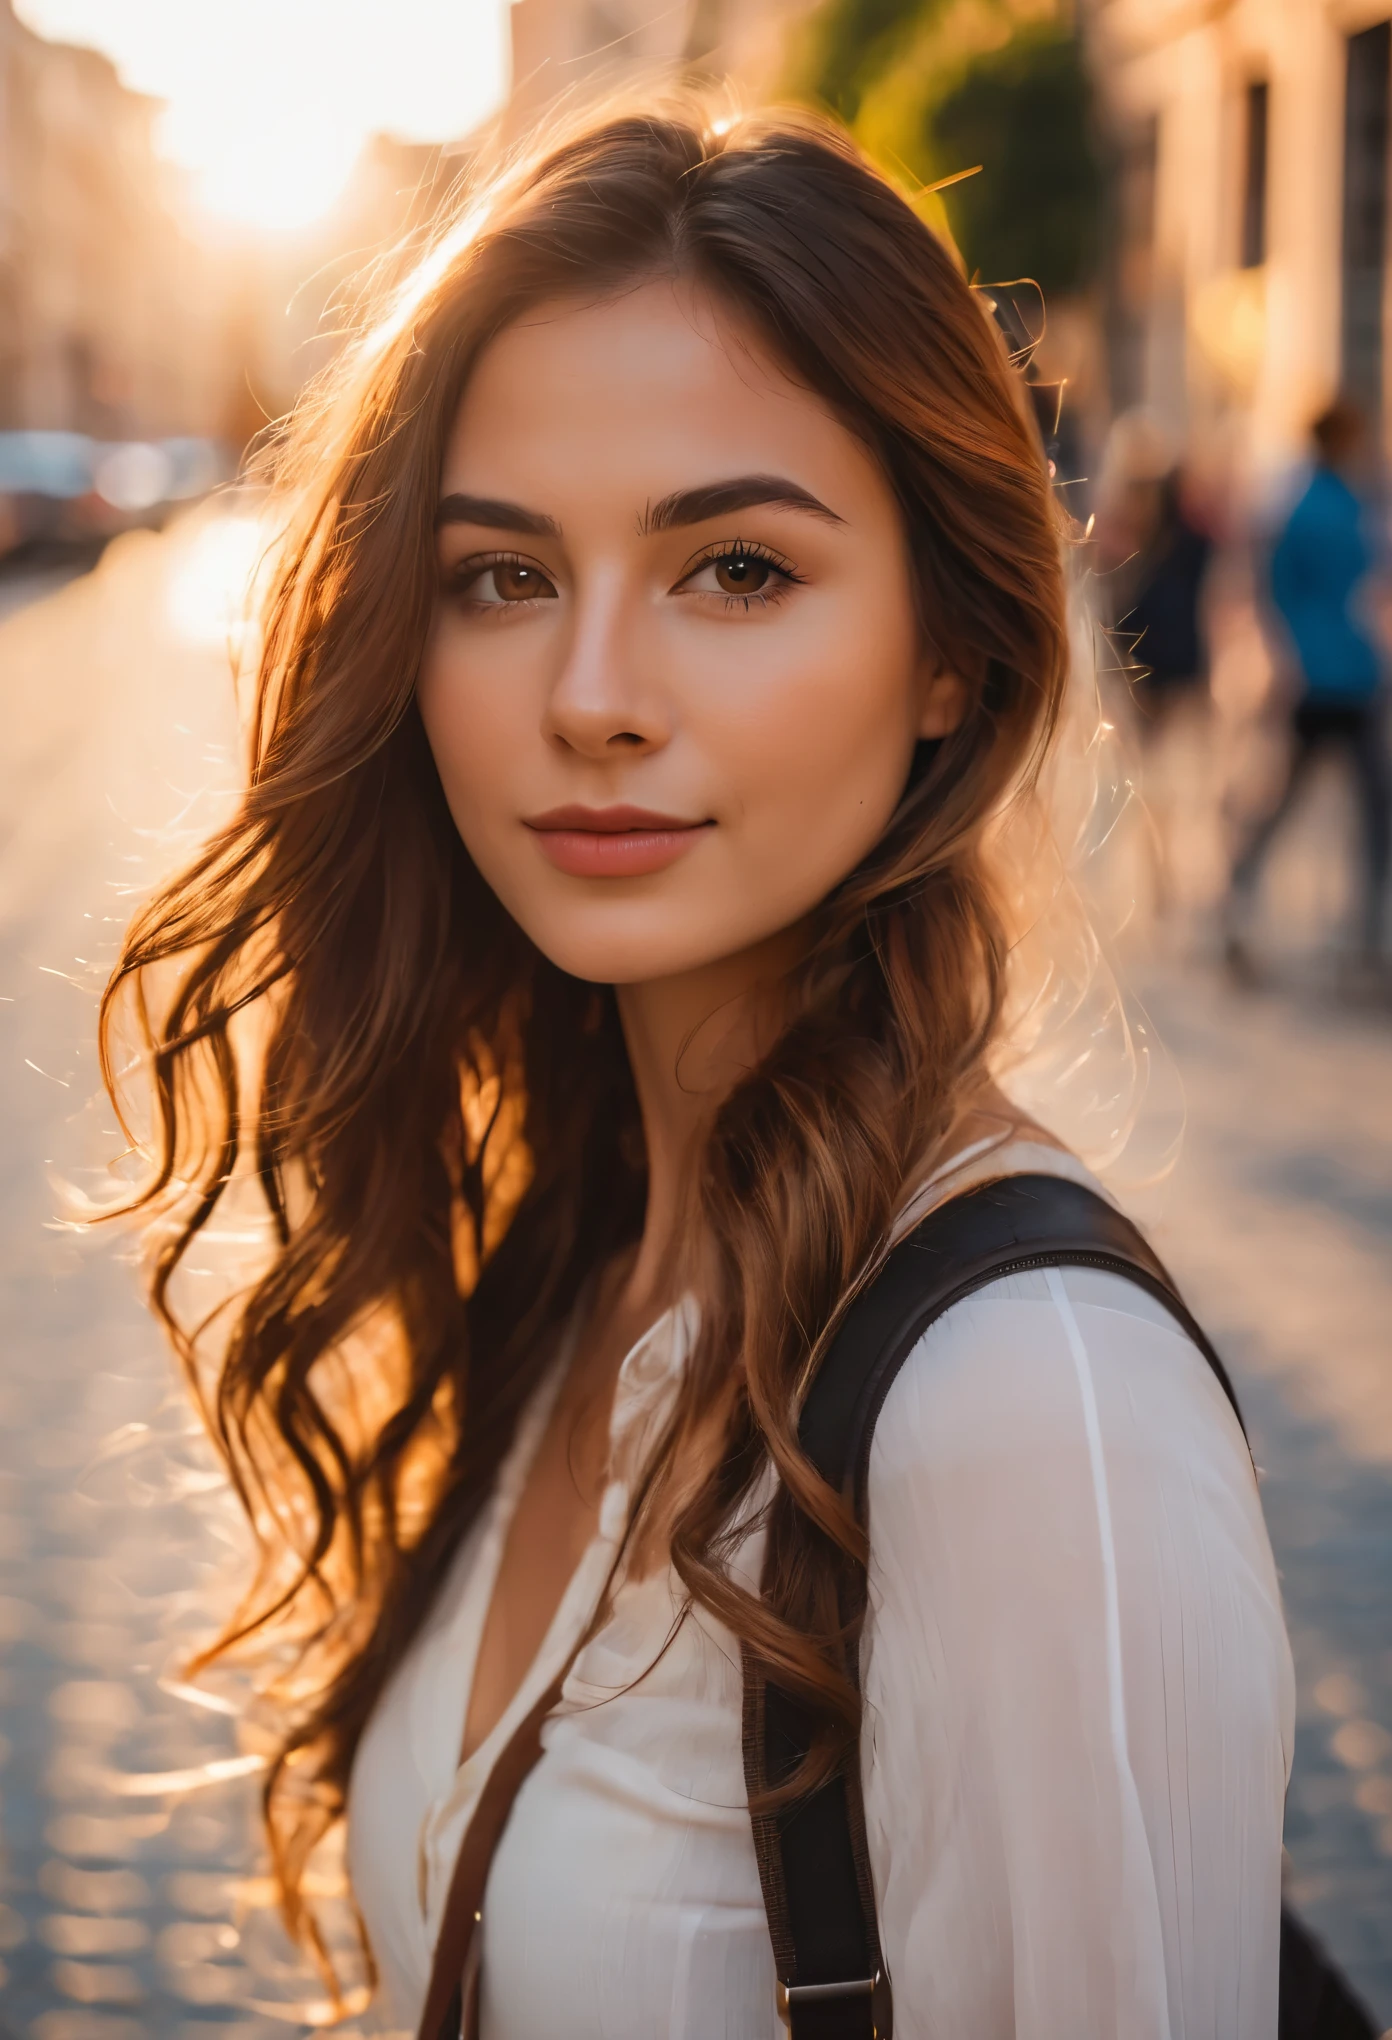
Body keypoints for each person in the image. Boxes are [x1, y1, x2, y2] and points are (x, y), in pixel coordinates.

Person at [100, 103, 1293, 2038]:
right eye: (499, 578)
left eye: (734, 570)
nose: (589, 697)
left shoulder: (1024, 1410)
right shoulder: (562, 1256)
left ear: (949, 653)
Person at [1226, 399, 1391, 979]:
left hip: (1327, 671)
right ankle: (1363, 936)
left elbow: (1278, 591)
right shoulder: (1342, 506)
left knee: (1297, 799)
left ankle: (1242, 900)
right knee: (1364, 807)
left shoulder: (1305, 504)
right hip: (1341, 672)